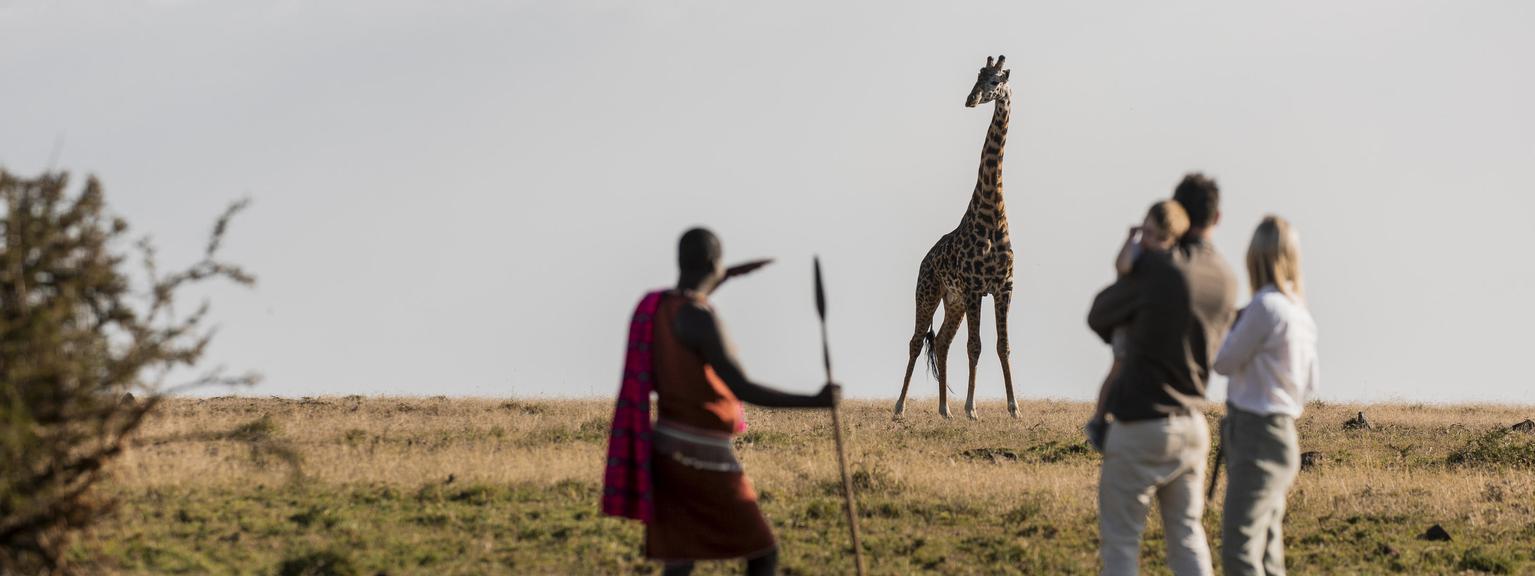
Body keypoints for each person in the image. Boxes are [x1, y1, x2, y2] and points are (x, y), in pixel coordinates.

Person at [601, 227, 838, 576]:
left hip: (666, 453)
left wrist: (727, 273)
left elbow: (697, 284)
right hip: (705, 459)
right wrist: (816, 401)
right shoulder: (701, 318)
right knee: (762, 552)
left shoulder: (659, 308)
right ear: (714, 263)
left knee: (680, 562)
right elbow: (743, 387)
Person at [1086, 173, 1237, 576]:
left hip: (1140, 424)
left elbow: (1100, 314)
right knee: (1188, 537)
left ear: (1179, 214)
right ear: (1217, 217)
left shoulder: (1161, 268)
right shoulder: (1226, 277)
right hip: (1191, 424)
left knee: (1121, 543)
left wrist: (1134, 269)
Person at [1213, 216, 1319, 576]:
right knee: (1269, 550)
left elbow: (1223, 362)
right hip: (1284, 433)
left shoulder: (1262, 308)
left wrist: (1232, 328)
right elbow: (1310, 384)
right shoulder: (1300, 313)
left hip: (1255, 433)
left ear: (1254, 258)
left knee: (1240, 549)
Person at [1086, 200, 1192, 450]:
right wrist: (1131, 241)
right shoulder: (1139, 251)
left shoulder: (1167, 261)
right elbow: (1121, 266)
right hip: (1128, 322)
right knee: (1119, 366)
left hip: (1144, 324)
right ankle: (1099, 418)